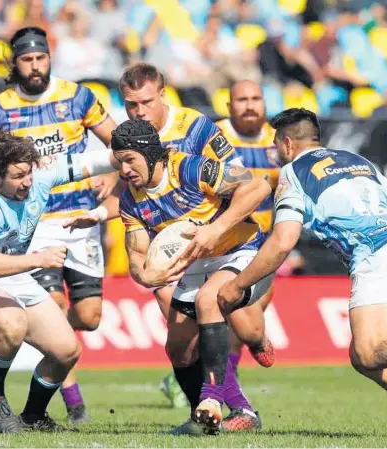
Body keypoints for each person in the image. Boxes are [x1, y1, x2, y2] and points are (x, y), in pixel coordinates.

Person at [217, 108, 387, 437]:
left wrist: (239, 284)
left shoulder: (294, 172)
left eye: (277, 146)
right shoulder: (356, 160)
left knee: (369, 349)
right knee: (365, 354)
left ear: (288, 144)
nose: (277, 154)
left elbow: (282, 243)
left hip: (377, 259)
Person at [0, 26, 117, 423]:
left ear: (49, 57)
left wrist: (114, 176)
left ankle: (58, 345)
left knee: (88, 317)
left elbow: (119, 142)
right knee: (53, 305)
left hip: (81, 218)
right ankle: (70, 397)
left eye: (40, 58)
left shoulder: (79, 96)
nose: (35, 66)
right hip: (32, 225)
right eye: (26, 59)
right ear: (14, 63)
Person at [0, 134, 119, 433]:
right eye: (17, 176)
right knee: (13, 323)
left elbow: (96, 161)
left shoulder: (38, 175)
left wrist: (133, 154)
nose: (27, 182)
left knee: (66, 350)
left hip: (14, 274)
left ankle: (34, 415)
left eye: (29, 173)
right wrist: (38, 260)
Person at [114, 118, 272, 435]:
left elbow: (259, 186)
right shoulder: (131, 200)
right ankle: (203, 418)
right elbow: (137, 254)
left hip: (243, 251)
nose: (125, 170)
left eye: (129, 159)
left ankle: (218, 401)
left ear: (147, 152)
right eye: (119, 162)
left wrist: (216, 229)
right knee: (178, 348)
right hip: (200, 264)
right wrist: (146, 275)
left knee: (209, 301)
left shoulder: (190, 169)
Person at [216, 80, 279, 370]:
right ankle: (214, 377)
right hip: (224, 245)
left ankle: (221, 374)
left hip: (263, 248)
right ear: (229, 106)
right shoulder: (215, 136)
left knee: (247, 318)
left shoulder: (279, 141)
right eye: (242, 99)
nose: (250, 105)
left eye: (256, 98)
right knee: (238, 317)